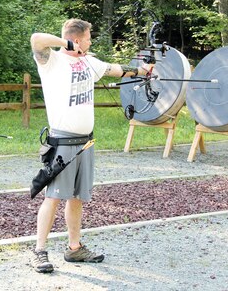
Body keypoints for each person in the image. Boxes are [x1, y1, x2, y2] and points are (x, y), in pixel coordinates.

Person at [30, 18, 153, 273]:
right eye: (88, 38)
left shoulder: (89, 62)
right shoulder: (52, 61)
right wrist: (66, 44)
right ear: (76, 39)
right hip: (62, 141)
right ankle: (39, 251)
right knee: (53, 197)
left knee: (77, 198)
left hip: (86, 142)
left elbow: (115, 69)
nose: (90, 41)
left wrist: (143, 71)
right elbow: (36, 39)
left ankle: (74, 248)